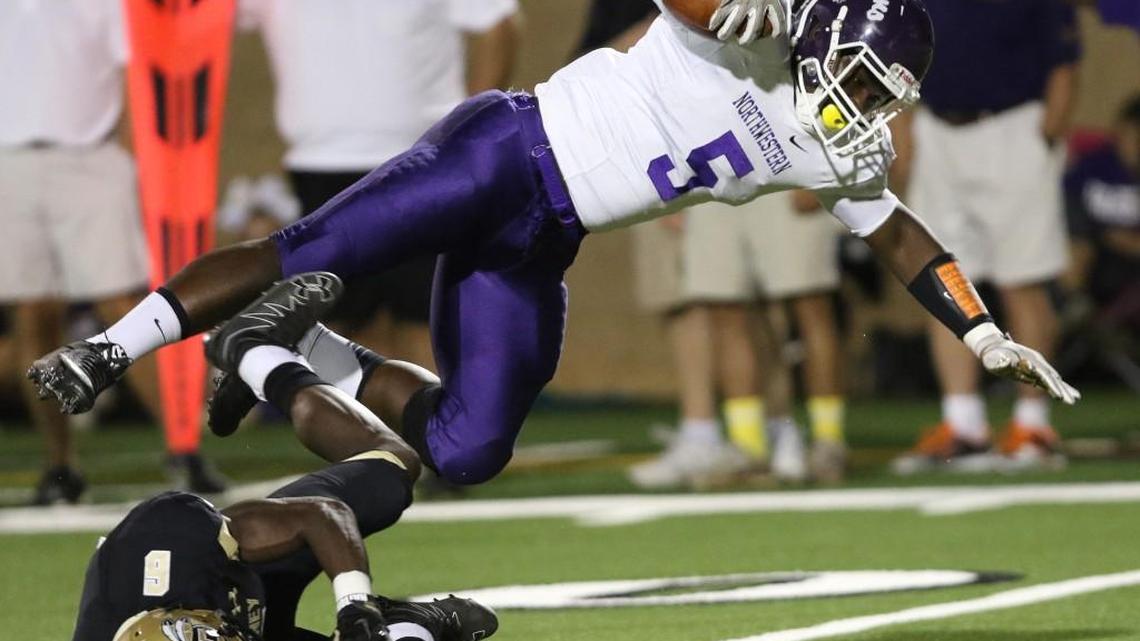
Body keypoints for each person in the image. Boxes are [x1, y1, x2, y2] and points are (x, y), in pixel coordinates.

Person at [30, 0, 1079, 491]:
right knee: (305, 247)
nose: (860, 112)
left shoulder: (831, 142)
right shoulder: (751, 26)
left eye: (877, 97)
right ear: (820, 42)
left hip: (543, 240)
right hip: (506, 151)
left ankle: (262, 355)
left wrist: (981, 333)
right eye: (857, 82)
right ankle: (111, 348)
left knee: (467, 449)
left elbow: (898, 232)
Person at [74, 272, 497, 641]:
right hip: (248, 618)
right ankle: (410, 621)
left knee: (390, 469)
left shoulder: (164, 542)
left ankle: (258, 352)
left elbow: (321, 516)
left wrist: (353, 604)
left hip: (253, 570)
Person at [0, 0, 224, 504]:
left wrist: (136, 158)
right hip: (8, 161)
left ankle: (183, 448)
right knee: (34, 316)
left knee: (124, 307)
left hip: (91, 158)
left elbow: (139, 73)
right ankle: (59, 467)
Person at [239, 0, 518, 369]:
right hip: (318, 167)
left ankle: (443, 424)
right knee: (334, 324)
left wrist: (468, 129)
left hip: (421, 160)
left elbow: (499, 23)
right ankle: (362, 425)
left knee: (428, 316)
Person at [889, 0, 1081, 474]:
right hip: (938, 129)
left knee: (1023, 281)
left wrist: (1047, 135)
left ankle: (1032, 424)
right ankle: (963, 424)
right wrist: (906, 131)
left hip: (1013, 128)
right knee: (945, 284)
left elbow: (1065, 61)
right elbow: (902, 52)